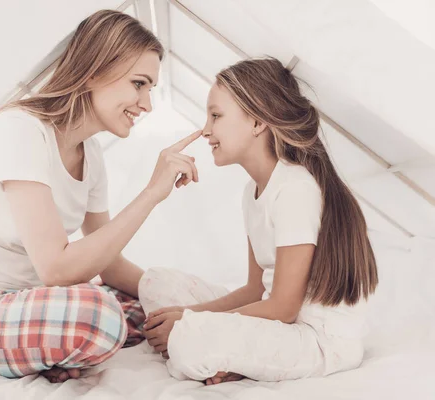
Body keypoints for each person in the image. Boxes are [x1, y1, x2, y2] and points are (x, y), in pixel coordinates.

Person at [0, 9, 202, 383]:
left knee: (148, 310)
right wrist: (151, 194)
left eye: (150, 89)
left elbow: (111, 266)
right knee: (100, 316)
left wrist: (189, 306)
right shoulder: (21, 131)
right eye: (139, 84)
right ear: (96, 71)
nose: (147, 104)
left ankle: (58, 353)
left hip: (29, 302)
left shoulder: (93, 156)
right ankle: (65, 349)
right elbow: (56, 269)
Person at [140, 57, 379, 385]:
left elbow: (283, 308)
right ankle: (235, 357)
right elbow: (256, 289)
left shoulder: (295, 189)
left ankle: (232, 357)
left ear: (256, 122)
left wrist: (190, 320)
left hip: (315, 341)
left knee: (188, 342)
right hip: (276, 321)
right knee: (154, 283)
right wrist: (190, 317)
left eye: (216, 116)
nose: (205, 130)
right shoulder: (252, 191)